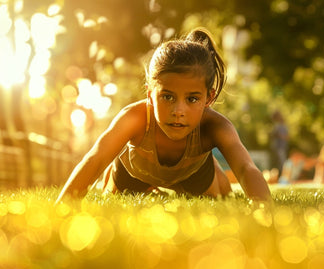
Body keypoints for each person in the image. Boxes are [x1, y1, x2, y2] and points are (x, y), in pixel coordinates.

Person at [56, 28, 271, 203]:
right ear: (150, 95)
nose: (178, 111)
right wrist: (62, 207)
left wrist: (264, 210)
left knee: (223, 196)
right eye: (167, 97)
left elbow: (245, 168)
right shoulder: (135, 118)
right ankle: (128, 180)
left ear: (209, 98)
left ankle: (211, 165)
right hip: (135, 174)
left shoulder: (216, 126)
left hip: (193, 174)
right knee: (114, 199)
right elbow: (97, 158)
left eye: (192, 99)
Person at [269, 111, 289, 175]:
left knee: (282, 162)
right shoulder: (277, 126)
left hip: (282, 147)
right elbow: (275, 135)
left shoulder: (282, 126)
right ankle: (281, 176)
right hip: (278, 147)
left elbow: (287, 136)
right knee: (281, 162)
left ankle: (283, 175)